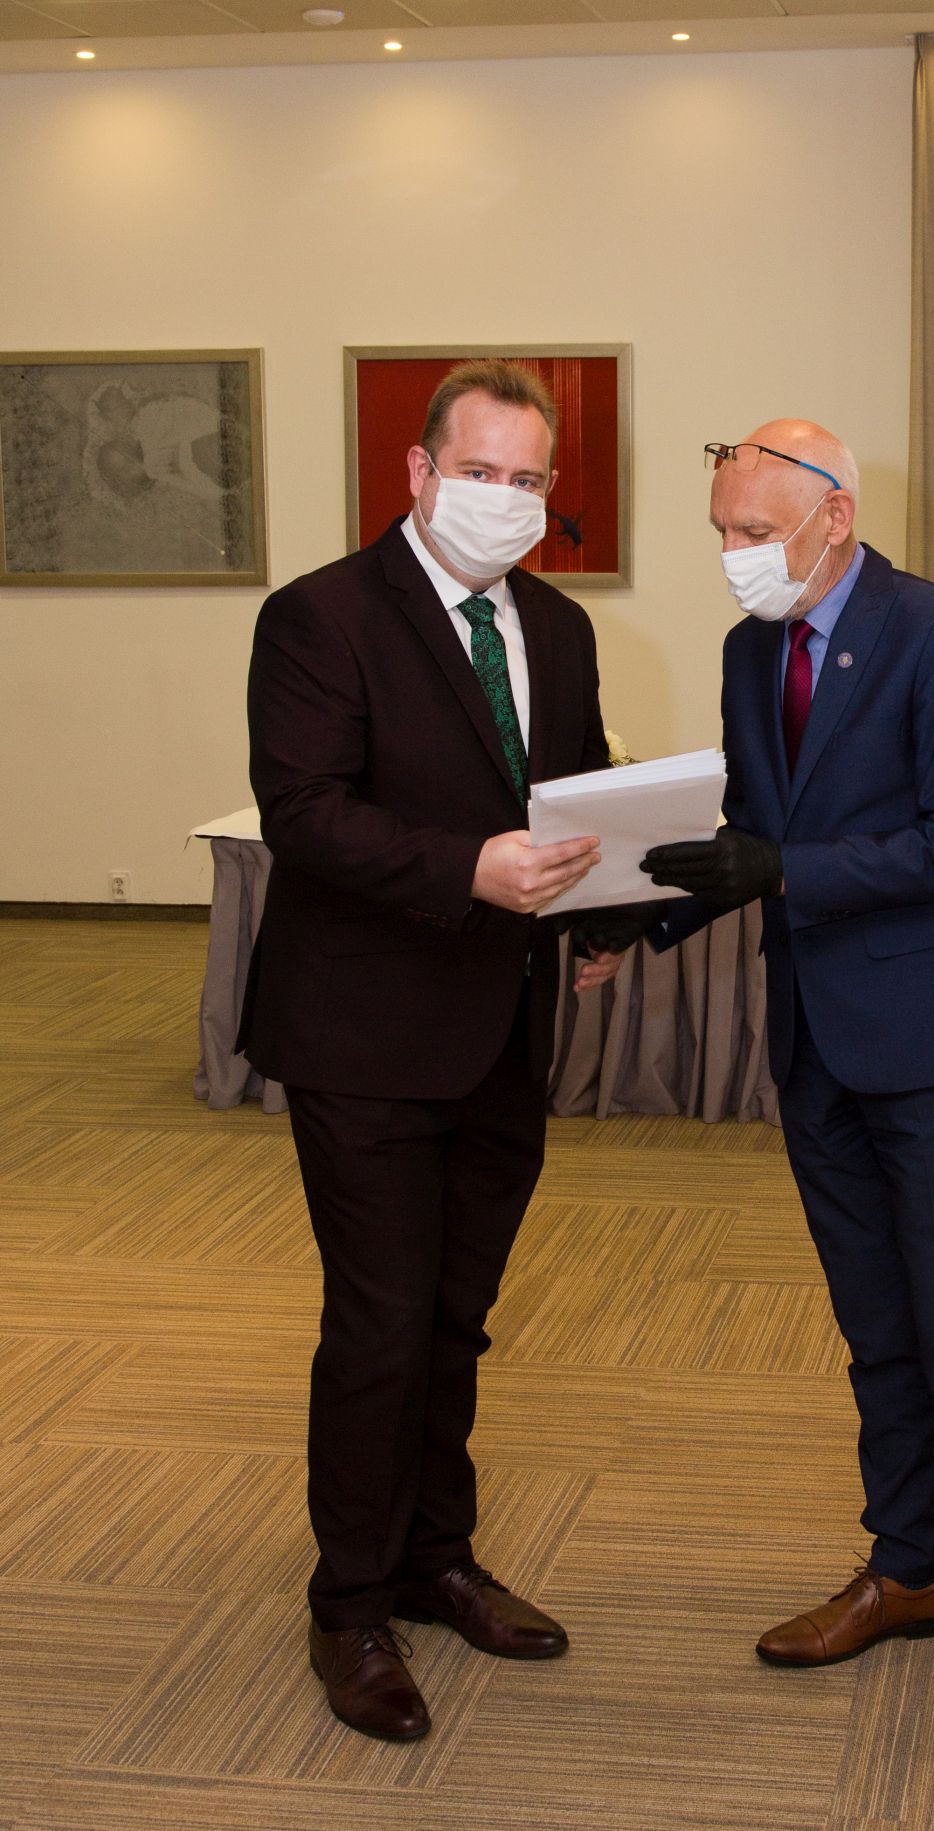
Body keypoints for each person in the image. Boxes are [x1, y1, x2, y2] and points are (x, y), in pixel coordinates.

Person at [641, 421, 934, 1758]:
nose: (733, 555)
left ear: (835, 515)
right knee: (875, 1328)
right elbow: (753, 835)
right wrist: (638, 916)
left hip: (932, 1042)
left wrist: (780, 872)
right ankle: (908, 1570)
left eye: (753, 531)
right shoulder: (748, 650)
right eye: (720, 531)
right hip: (815, 1039)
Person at [238, 359, 629, 1743]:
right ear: (417, 473)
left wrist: (601, 906)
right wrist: (470, 868)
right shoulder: (322, 615)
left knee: (457, 1316)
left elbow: (573, 791)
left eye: (529, 480)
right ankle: (349, 1603)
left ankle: (434, 1558)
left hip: (503, 1028)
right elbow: (305, 812)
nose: (505, 500)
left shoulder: (559, 627)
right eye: (479, 473)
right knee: (381, 1323)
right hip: (363, 1030)